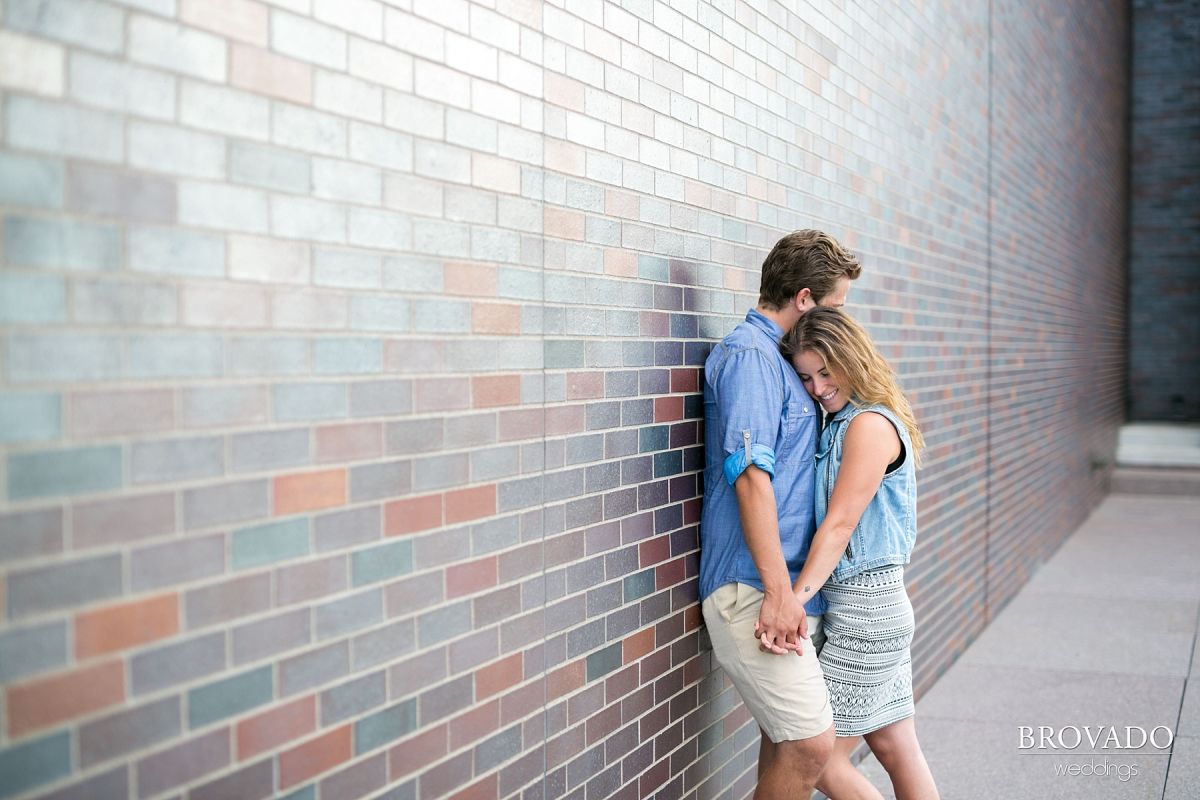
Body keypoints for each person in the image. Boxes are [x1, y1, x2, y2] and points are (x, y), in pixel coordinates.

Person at [700, 230, 862, 798]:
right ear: (804, 298)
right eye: (835, 307)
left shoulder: (785, 364)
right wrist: (775, 590)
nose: (841, 321)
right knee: (811, 747)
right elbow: (749, 475)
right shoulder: (751, 358)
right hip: (754, 589)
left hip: (789, 593)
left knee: (784, 749)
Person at [779, 307, 940, 800]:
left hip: (866, 614)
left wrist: (793, 598)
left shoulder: (868, 425)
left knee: (820, 758)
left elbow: (841, 523)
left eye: (827, 371)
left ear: (853, 359)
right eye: (806, 376)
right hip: (878, 610)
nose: (817, 387)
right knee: (895, 746)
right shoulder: (840, 423)